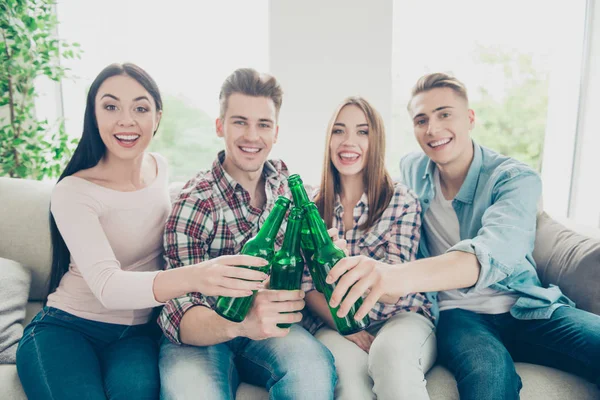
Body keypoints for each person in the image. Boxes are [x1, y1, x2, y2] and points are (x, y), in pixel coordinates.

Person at [319, 72, 600, 400]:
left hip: (528, 306)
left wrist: (390, 276)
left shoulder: (514, 179)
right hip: (459, 315)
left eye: (444, 114)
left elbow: (490, 254)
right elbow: (376, 195)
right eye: (421, 119)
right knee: (488, 375)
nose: (433, 129)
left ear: (469, 118)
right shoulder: (412, 172)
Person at [16, 63, 268, 400]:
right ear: (93, 115)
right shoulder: (74, 192)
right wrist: (198, 275)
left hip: (135, 337)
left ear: (157, 118)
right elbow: (108, 287)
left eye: (140, 107)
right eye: (110, 107)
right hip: (67, 329)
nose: (126, 120)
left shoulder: (160, 168)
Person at [157, 68, 336, 400]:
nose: (252, 136)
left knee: (311, 370)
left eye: (263, 125)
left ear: (276, 132)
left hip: (271, 331)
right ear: (220, 126)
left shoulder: (285, 182)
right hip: (203, 329)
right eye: (240, 122)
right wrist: (239, 324)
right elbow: (177, 307)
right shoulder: (195, 202)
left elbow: (309, 259)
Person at [300, 97, 435, 400]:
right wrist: (347, 327)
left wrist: (343, 261)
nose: (349, 142)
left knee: (392, 359)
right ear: (328, 140)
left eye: (362, 132)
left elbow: (392, 290)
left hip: (400, 316)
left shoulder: (401, 201)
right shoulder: (310, 206)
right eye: (339, 131)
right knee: (349, 382)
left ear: (376, 141)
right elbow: (308, 287)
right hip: (334, 322)